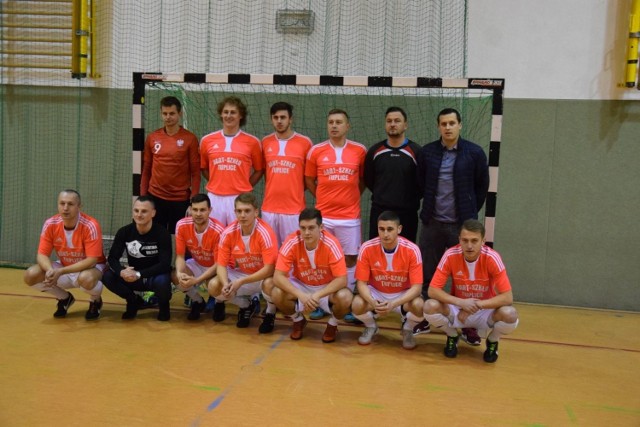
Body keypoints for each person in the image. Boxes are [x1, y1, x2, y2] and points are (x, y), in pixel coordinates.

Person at [416, 107, 490, 343]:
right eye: (443, 123)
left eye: (451, 123)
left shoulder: (475, 153)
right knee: (428, 275)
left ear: (460, 125)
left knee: (465, 280)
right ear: (438, 126)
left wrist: (468, 212)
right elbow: (420, 184)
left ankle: (468, 324)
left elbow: (481, 188)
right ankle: (427, 316)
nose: (447, 127)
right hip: (433, 224)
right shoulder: (427, 153)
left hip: (461, 227)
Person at [423, 219, 519, 363]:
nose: (469, 245)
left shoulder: (492, 258)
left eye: (474, 241)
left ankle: (493, 340)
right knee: (429, 306)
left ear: (483, 241)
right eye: (465, 240)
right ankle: (452, 335)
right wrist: (461, 302)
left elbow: (507, 297)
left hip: (485, 310)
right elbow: (432, 290)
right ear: (459, 240)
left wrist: (474, 306)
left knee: (510, 314)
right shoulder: (450, 255)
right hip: (458, 308)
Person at [304, 108, 366, 322]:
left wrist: (350, 196)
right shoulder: (316, 151)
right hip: (325, 217)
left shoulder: (359, 150)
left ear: (347, 126)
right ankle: (323, 302)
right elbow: (309, 180)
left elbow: (364, 179)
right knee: (324, 260)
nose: (334, 126)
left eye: (339, 122)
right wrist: (323, 199)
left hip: (349, 217)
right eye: (331, 122)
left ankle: (345, 302)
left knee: (349, 259)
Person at [268, 208, 352, 342]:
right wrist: (300, 295)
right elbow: (278, 276)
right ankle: (298, 320)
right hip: (302, 285)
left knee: (345, 297)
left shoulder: (331, 243)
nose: (306, 233)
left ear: (321, 227)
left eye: (311, 228)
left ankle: (333, 324)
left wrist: (317, 295)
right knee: (276, 292)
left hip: (325, 288)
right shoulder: (292, 241)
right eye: (303, 228)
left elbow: (342, 280)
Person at [23, 189, 105, 320]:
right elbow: (42, 255)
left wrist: (60, 271)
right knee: (30, 275)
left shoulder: (90, 225)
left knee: (86, 279)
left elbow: (92, 260)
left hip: (90, 268)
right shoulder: (50, 224)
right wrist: (50, 270)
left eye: (70, 204)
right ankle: (65, 298)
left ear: (79, 206)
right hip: (64, 267)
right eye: (62, 203)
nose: (65, 208)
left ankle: (95, 300)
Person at [352, 211, 425, 350]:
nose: (385, 234)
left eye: (390, 229)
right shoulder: (367, 248)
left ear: (399, 229)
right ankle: (371, 326)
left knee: (420, 306)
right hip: (377, 293)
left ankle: (408, 329)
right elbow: (361, 283)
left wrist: (393, 304)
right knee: (356, 304)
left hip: (402, 294)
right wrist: (373, 303)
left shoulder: (412, 250)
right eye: (382, 229)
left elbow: (417, 288)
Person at [207, 192, 277, 328]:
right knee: (214, 286)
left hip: (262, 276)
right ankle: (246, 305)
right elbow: (221, 265)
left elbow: (270, 268)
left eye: (247, 211)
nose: (242, 215)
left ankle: (270, 313)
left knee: (270, 284)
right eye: (239, 211)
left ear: (256, 212)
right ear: (235, 212)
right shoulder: (228, 233)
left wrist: (242, 281)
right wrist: (225, 283)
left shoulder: (265, 233)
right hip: (242, 274)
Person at [103, 196, 173, 321]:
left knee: (163, 281)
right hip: (132, 277)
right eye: (136, 211)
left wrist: (139, 274)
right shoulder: (124, 232)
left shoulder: (162, 233)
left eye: (144, 211)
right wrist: (121, 271)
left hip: (154, 276)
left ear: (153, 213)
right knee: (107, 276)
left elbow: (165, 264)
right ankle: (133, 301)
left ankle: (163, 305)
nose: (139, 215)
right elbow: (113, 258)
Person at [200, 96, 264, 226]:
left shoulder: (253, 142)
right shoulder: (207, 140)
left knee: (238, 237)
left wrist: (245, 185)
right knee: (216, 236)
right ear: (221, 114)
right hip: (215, 197)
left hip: (239, 198)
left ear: (241, 115)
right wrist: (216, 181)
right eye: (226, 112)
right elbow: (203, 168)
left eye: (233, 112)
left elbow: (259, 170)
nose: (229, 115)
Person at [140, 96, 200, 233]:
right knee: (156, 236)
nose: (168, 117)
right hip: (155, 197)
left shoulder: (190, 139)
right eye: (165, 113)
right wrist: (144, 197)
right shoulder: (152, 137)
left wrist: (193, 202)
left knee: (178, 238)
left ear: (180, 114)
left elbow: (195, 173)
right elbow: (147, 169)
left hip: (180, 200)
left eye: (172, 113)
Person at [364, 107, 422, 243]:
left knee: (406, 252)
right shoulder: (375, 151)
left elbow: (422, 183)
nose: (393, 124)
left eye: (397, 121)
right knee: (376, 251)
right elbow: (369, 180)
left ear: (405, 125)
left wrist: (407, 200)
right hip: (380, 211)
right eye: (389, 121)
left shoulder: (417, 151)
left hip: (407, 213)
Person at [261, 101, 313, 246]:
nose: (279, 121)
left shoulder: (305, 142)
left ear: (290, 119)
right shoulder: (265, 142)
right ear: (271, 119)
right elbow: (266, 173)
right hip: (269, 209)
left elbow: (309, 177)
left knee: (293, 250)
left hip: (294, 210)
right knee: (270, 251)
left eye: (283, 117)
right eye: (275, 117)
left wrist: (293, 188)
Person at [172, 193, 225, 321]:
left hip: (216, 267)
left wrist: (196, 280)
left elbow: (219, 263)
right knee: (175, 276)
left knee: (213, 284)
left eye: (202, 210)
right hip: (197, 263)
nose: (198, 213)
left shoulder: (219, 230)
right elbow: (180, 256)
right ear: (190, 210)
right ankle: (198, 301)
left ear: (210, 210)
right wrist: (180, 273)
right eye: (195, 209)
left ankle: (219, 303)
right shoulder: (181, 225)